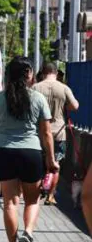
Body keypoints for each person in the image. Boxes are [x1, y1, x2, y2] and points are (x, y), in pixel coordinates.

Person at [0, 56, 59, 242]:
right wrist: (51, 160)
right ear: (29, 75)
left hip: (3, 152)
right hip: (30, 153)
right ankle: (29, 233)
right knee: (32, 200)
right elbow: (47, 133)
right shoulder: (38, 99)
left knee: (10, 202)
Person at [32, 62, 79, 205]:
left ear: (42, 72)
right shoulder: (64, 88)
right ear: (56, 73)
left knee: (39, 163)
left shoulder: (35, 88)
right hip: (58, 132)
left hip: (39, 132)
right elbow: (75, 106)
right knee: (55, 164)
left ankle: (38, 191)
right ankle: (51, 195)